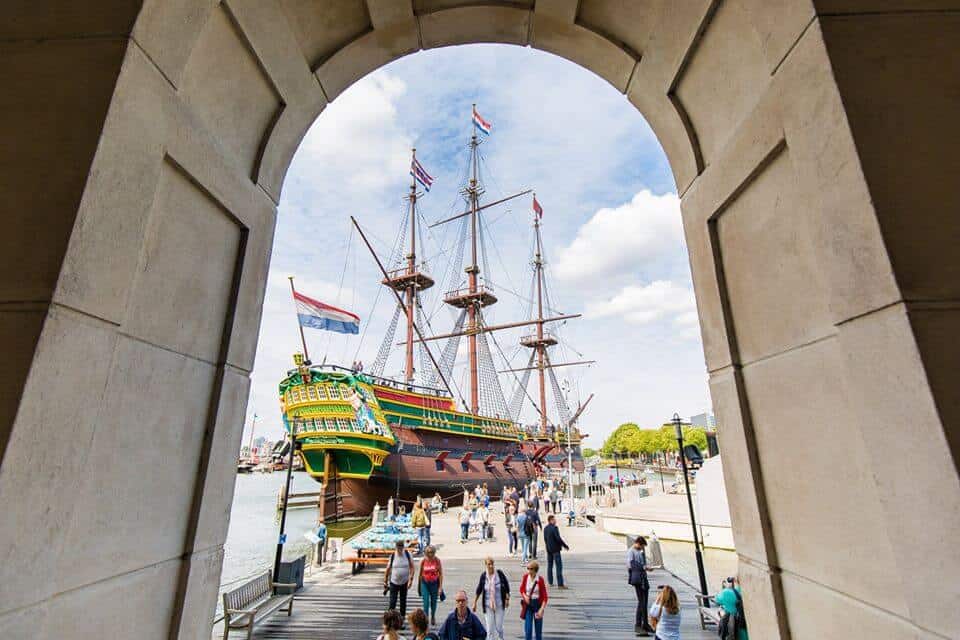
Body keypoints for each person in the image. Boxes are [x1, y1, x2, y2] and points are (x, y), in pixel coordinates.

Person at [473, 557, 510, 640]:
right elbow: (479, 589)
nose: (491, 566)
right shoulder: (483, 576)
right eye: (489, 564)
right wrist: (475, 603)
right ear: (486, 565)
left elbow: (506, 586)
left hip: (499, 605)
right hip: (487, 605)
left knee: (498, 626)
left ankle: (500, 637)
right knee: (489, 629)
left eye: (492, 564)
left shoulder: (499, 574)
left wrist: (507, 599)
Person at [628, 536, 654, 636]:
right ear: (638, 543)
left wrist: (647, 568)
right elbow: (631, 565)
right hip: (637, 579)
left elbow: (643, 564)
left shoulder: (641, 551)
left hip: (643, 578)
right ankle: (638, 625)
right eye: (642, 546)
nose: (643, 548)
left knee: (644, 602)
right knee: (641, 602)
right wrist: (643, 567)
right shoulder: (631, 551)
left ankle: (645, 624)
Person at [384, 539, 414, 620]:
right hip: (394, 582)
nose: (400, 550)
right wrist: (385, 581)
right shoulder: (393, 556)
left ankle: (402, 618)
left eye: (401, 548)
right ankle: (390, 619)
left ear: (403, 547)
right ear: (396, 548)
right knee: (392, 602)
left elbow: (412, 567)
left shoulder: (408, 554)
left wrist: (411, 579)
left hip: (404, 582)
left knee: (403, 601)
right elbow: (388, 569)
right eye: (398, 548)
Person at [519, 560, 548, 640]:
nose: (529, 570)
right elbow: (521, 589)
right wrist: (525, 596)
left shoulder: (540, 579)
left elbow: (545, 596)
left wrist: (541, 609)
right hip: (528, 605)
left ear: (535, 570)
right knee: (528, 629)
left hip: (537, 605)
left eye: (531, 569)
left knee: (538, 631)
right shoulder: (525, 577)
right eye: (528, 568)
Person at [418, 545, 443, 626]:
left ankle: (433, 616)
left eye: (432, 552)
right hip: (424, 583)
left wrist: (440, 587)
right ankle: (426, 619)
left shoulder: (437, 561)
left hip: (434, 583)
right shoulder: (423, 561)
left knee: (433, 602)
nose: (430, 554)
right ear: (426, 553)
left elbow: (440, 574)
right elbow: (420, 574)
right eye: (428, 552)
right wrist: (419, 586)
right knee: (425, 603)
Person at [542, 514, 569, 588]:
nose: (555, 521)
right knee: (559, 566)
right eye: (554, 519)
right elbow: (558, 538)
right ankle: (560, 584)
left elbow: (545, 539)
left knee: (549, 566)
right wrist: (565, 546)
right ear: (551, 520)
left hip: (549, 549)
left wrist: (547, 546)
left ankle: (550, 582)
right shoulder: (554, 528)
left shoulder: (545, 528)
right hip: (556, 550)